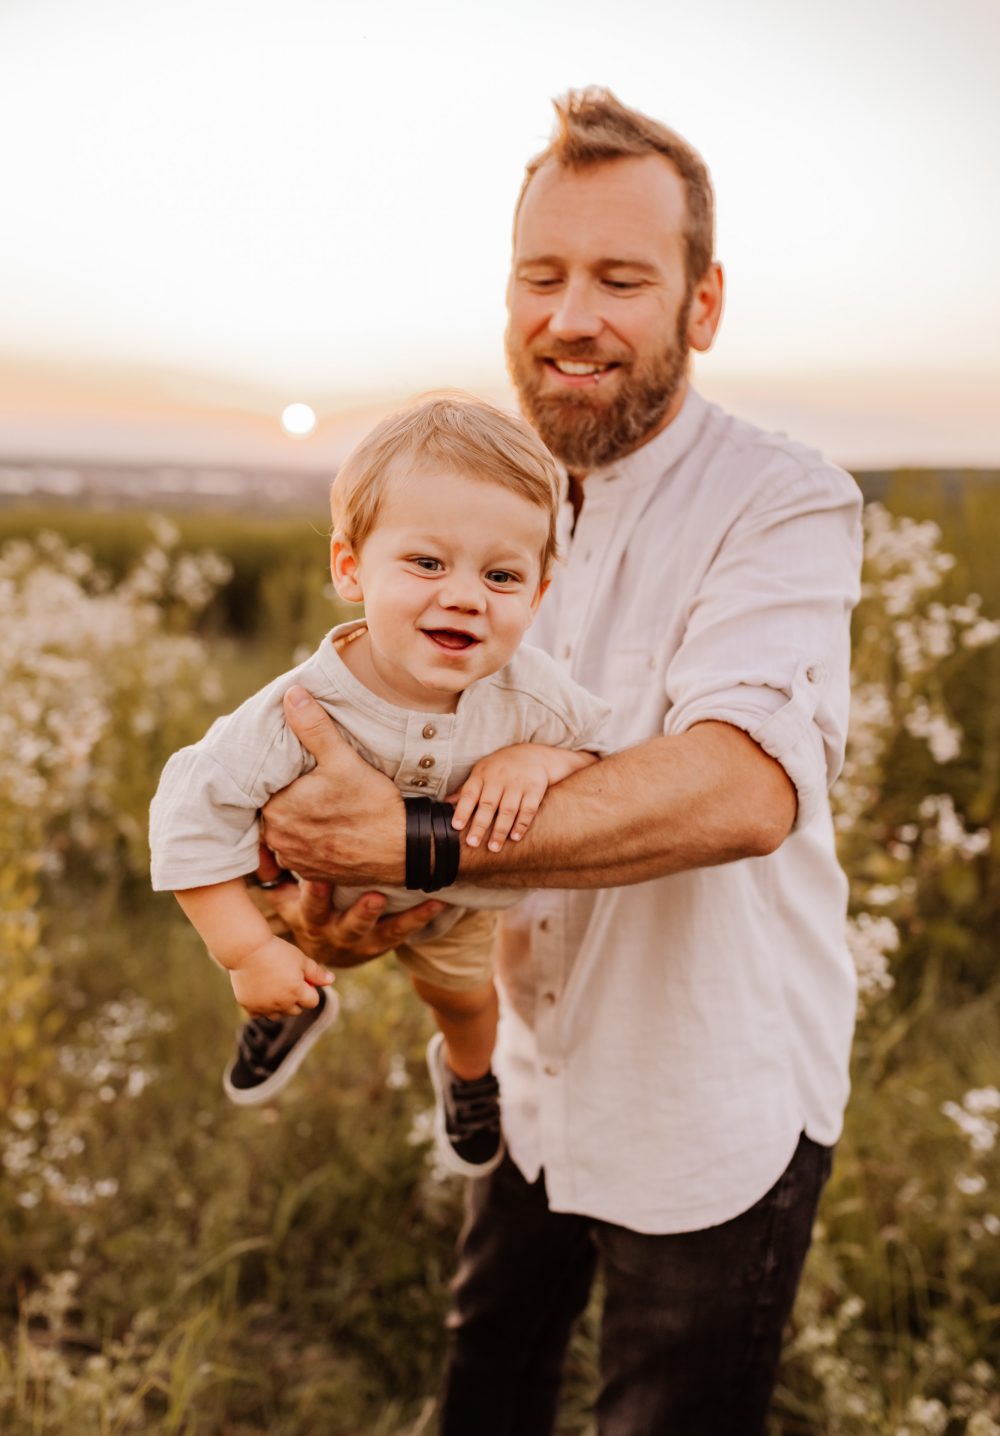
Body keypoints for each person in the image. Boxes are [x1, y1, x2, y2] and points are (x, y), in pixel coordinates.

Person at [251, 89, 864, 1434]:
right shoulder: (489, 496)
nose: (571, 316)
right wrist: (347, 895)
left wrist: (410, 838)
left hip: (710, 1098)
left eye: (621, 279)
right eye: (543, 276)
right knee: (486, 1383)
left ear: (702, 307)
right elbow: (398, 745)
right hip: (528, 1070)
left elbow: (745, 785)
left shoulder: (784, 500)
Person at [149, 395, 611, 1174]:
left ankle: (468, 1078)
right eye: (427, 563)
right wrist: (245, 951)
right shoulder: (301, 707)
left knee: (465, 1002)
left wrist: (541, 761)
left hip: (455, 903)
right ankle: (288, 1006)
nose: (465, 595)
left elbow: (602, 755)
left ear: (536, 596)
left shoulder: (534, 695)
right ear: (350, 566)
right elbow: (190, 809)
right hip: (303, 894)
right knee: (285, 966)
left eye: (501, 575)